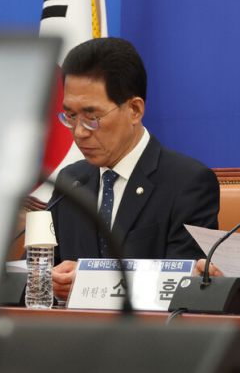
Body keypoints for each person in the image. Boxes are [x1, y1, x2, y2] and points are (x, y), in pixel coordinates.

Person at [49, 37, 219, 300]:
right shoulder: (70, 181)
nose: (79, 132)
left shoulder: (188, 184)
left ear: (135, 110)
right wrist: (50, 281)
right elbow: (37, 271)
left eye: (92, 117)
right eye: (70, 116)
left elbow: (182, 288)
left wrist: (91, 283)